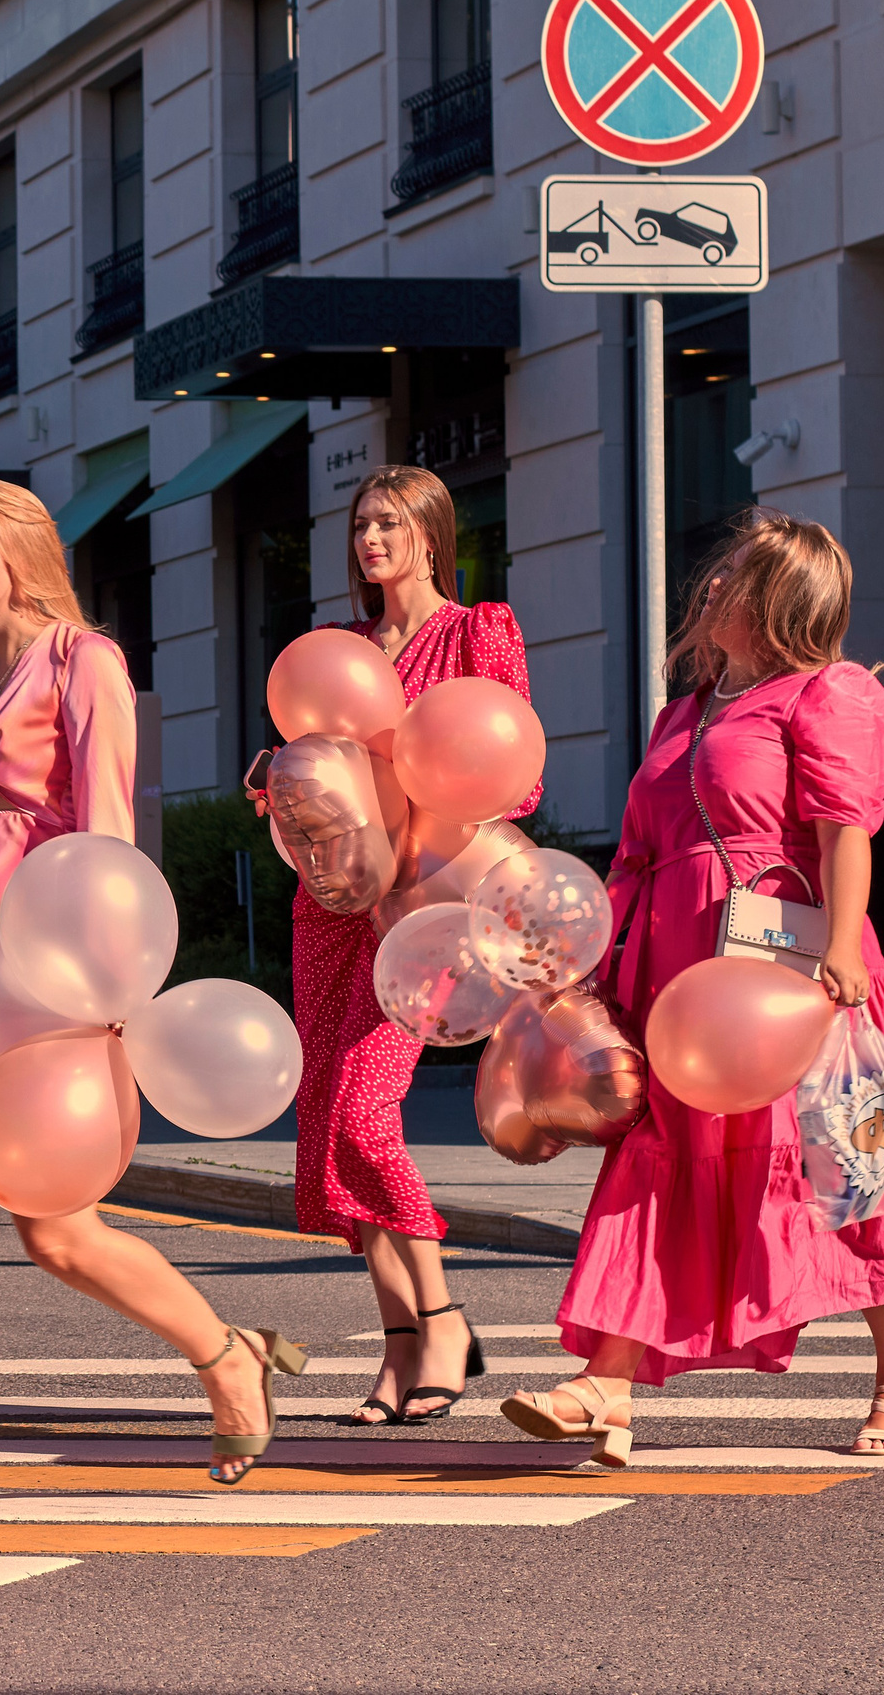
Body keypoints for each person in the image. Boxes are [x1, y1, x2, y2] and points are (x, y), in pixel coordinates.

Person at [0, 477, 302, 1537]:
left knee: (54, 1233)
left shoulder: (80, 660)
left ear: (21, 547)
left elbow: (104, 836)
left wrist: (105, 992)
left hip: (44, 970)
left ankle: (226, 1353)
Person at [505, 510, 884, 1464]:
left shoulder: (827, 694)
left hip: (794, 976)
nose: (711, 585)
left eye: (737, 576)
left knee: (850, 1173)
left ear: (781, 601)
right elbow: (639, 857)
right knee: (657, 1159)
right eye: (718, 572)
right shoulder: (688, 712)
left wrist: (844, 946)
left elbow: (848, 827)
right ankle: (607, 1385)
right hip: (679, 977)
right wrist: (592, 960)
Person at [286, 465, 534, 1427]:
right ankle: (399, 1348)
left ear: (431, 534)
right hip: (333, 906)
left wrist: (418, 851)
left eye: (389, 522)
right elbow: (316, 775)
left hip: (427, 906)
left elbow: (509, 772)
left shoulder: (479, 631)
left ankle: (441, 1319)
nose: (370, 539)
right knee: (326, 1134)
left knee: (364, 1112)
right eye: (359, 524)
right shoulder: (337, 649)